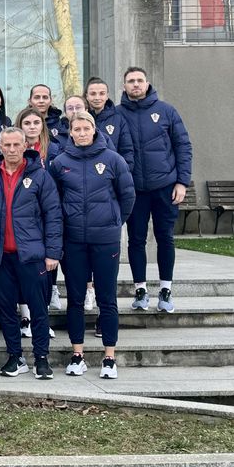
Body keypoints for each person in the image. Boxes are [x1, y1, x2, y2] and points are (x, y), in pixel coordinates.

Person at [49, 111, 135, 380]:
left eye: (87, 128)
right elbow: (54, 202)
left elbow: (127, 196)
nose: (82, 132)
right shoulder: (60, 162)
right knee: (74, 299)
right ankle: (78, 355)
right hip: (73, 241)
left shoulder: (113, 160)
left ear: (94, 130)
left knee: (106, 299)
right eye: (77, 129)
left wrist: (113, 221)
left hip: (105, 240)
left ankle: (109, 357)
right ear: (70, 132)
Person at [0, 127, 62, 380]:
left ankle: (41, 358)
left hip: (32, 255)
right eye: (7, 145)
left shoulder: (40, 176)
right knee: (6, 309)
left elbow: (54, 216)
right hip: (0, 257)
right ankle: (15, 357)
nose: (12, 150)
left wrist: (52, 253)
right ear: (0, 147)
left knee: (38, 308)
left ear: (25, 145)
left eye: (17, 145)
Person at [118, 66, 192, 312]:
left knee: (165, 238)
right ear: (124, 85)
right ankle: (140, 291)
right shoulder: (118, 115)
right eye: (131, 81)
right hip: (135, 190)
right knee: (136, 240)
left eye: (139, 80)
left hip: (165, 187)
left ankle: (165, 290)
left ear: (147, 83)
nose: (136, 84)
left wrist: (182, 181)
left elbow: (183, 147)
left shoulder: (166, 111)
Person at [13, 107, 61, 336]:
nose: (32, 127)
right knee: (25, 267)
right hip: (24, 217)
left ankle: (42, 317)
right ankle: (25, 316)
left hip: (48, 212)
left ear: (42, 125)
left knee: (46, 268)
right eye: (27, 123)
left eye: (36, 122)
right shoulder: (13, 150)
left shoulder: (55, 150)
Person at [84, 77, 135, 171]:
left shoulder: (118, 119)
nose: (97, 98)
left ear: (107, 96)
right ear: (87, 96)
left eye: (102, 93)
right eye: (93, 94)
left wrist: (124, 171)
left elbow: (126, 150)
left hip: (110, 174)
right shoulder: (80, 119)